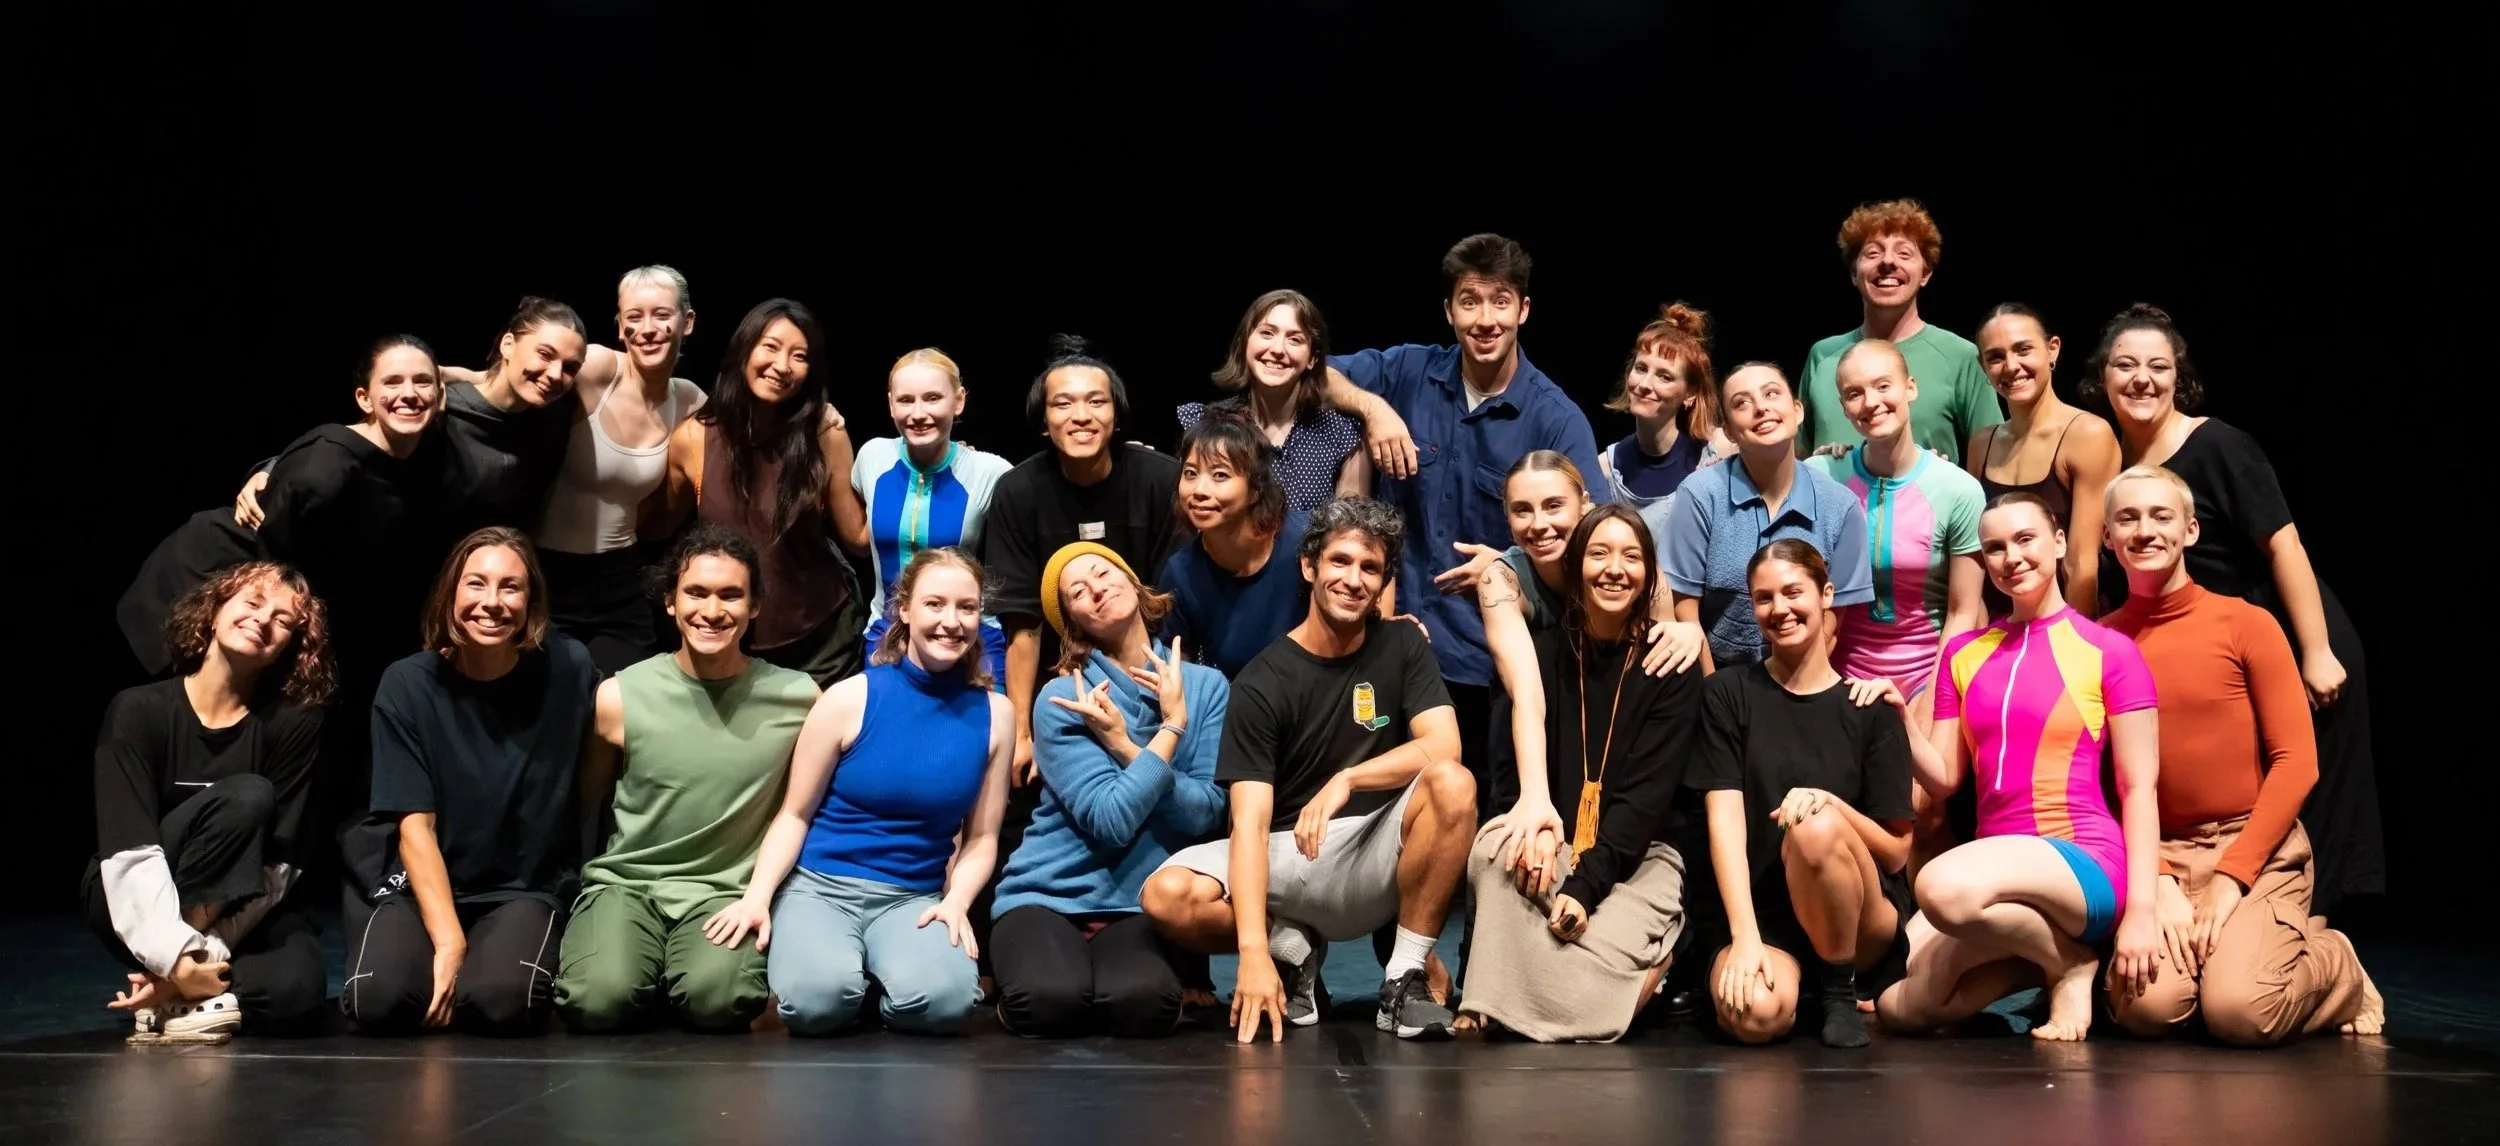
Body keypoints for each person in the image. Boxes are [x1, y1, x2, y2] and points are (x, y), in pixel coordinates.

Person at [1140, 498, 1475, 1043]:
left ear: (1383, 581)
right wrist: (1251, 953)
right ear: (1309, 567)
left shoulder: (1403, 643)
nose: (1353, 579)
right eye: (1340, 561)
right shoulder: (1261, 680)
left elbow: (1444, 746)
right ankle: (1290, 949)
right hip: (1288, 855)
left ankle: (1404, 976)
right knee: (1167, 894)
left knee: (1452, 784)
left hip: (1376, 852)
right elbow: (1246, 826)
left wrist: (1348, 779)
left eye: (1370, 568)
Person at [2087, 303, 2380, 917]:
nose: (2142, 378)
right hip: (2216, 646)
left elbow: (2284, 545)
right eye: (2126, 365)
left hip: (2289, 629)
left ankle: (2314, 934)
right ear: (2103, 378)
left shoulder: (2217, 444)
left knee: (2305, 784)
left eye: (2158, 366)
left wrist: (2317, 650)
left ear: (2177, 377)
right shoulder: (2110, 463)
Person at [2098, 465, 2383, 1042]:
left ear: (2192, 531)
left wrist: (2231, 878)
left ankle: (2336, 963)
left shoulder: (2244, 624)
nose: (2144, 530)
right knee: (2147, 1010)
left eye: (2161, 516)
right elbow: (2103, 781)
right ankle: (2224, 962)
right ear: (2106, 537)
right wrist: (2155, 879)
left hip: (2253, 843)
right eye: (2127, 517)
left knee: (2242, 1014)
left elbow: (2298, 762)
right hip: (2160, 852)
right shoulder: (2099, 641)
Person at [1321, 234, 1610, 779]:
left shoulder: (1554, 417)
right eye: (1470, 301)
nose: (1485, 319)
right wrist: (1373, 408)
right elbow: (1316, 371)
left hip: (1483, 669)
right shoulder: (1409, 371)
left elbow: (1599, 534)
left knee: (1468, 812)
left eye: (1500, 301)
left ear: (1523, 310)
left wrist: (1513, 565)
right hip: (1386, 647)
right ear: (1449, 311)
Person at [1876, 494, 2162, 1042]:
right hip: (1994, 879)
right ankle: (2051, 960)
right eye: (1995, 548)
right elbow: (1943, 779)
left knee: (1940, 888)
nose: (2011, 557)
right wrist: (1900, 725)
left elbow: (2139, 788)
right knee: (1901, 1006)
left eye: (2025, 539)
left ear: (2058, 543)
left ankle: (2070, 963)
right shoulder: (1963, 654)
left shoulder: (2109, 650)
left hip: (2083, 864)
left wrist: (2143, 911)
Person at [729, 549, 1014, 1035]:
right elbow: (795, 814)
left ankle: (882, 981)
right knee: (818, 1005)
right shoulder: (849, 697)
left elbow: (983, 837)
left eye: (966, 608)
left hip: (912, 898)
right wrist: (757, 897)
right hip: (821, 888)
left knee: (945, 1005)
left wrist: (956, 901)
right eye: (935, 604)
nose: (951, 621)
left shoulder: (996, 714)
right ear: (904, 610)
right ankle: (847, 977)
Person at [554, 526, 819, 1033]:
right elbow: (589, 802)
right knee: (596, 1000)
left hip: (727, 893)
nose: (712, 610)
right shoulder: (619, 696)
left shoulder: (798, 699)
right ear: (671, 603)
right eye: (696, 592)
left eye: (731, 595)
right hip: (629, 886)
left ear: (755, 606)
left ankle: (671, 971)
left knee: (717, 1001)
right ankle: (634, 961)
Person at [1458, 507, 1703, 1042]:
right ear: (1575, 567)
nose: (1615, 570)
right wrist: (1535, 828)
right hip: (1559, 841)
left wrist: (1585, 888)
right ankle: (1592, 982)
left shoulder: (1670, 665)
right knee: (1492, 849)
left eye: (1631, 557)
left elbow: (1646, 802)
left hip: (1639, 857)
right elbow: (1510, 770)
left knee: (1583, 983)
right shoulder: (1541, 656)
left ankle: (1513, 992)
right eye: (1599, 554)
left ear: (1649, 575)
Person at [341, 528, 599, 1035]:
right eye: (476, 584)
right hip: (426, 884)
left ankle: (490, 963)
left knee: (502, 1001)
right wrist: (450, 943)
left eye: (511, 587)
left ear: (531, 601)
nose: (492, 602)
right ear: (451, 594)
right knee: (378, 999)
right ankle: (459, 955)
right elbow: (415, 829)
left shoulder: (568, 668)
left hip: (522, 886)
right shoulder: (408, 683)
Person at [89, 563, 334, 1044]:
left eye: (284, 620)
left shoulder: (293, 725)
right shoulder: (139, 710)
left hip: (240, 908)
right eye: (252, 601)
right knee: (248, 795)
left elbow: (279, 867)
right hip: (132, 898)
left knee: (296, 992)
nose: (264, 619)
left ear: (292, 646)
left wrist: (199, 956)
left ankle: (180, 999)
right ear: (215, 609)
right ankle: (189, 988)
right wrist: (174, 955)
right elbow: (128, 853)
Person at [990, 543, 1228, 1037]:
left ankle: (1095, 978)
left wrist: (1126, 745)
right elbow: (1112, 821)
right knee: (1047, 1003)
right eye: (1078, 591)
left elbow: (1206, 813)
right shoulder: (1063, 699)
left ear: (1133, 582)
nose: (1096, 588)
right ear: (1071, 622)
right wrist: (1170, 732)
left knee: (1144, 1007)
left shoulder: (1205, 688)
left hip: (1134, 904)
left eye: (1102, 572)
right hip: (1048, 894)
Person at [1695, 540, 1917, 1049]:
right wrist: (1744, 937)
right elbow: (1724, 819)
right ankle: (1802, 987)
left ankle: (1839, 990)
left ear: (1826, 596)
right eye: (1764, 598)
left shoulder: (1870, 709)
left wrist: (1833, 808)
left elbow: (1896, 852)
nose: (1780, 609)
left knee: (1814, 826)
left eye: (1793, 592)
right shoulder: (1728, 694)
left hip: (1861, 918)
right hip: (1768, 913)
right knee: (1754, 1015)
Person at [979, 335, 1185, 781]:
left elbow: (1172, 600)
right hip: (1058, 681)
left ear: (1116, 416)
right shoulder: (1019, 491)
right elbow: (1023, 624)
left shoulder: (1160, 478)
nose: (1081, 417)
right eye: (1063, 404)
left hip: (1153, 671)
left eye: (1096, 402)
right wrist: (1021, 731)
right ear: (1043, 421)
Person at [662, 298, 868, 689]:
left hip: (820, 642)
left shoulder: (824, 433)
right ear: (745, 349)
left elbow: (858, 538)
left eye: (799, 355)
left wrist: (927, 465)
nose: (782, 365)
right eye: (770, 346)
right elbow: (659, 527)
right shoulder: (693, 438)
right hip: (726, 640)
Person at [532, 267, 709, 675]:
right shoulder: (596, 368)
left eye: (662, 315)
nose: (647, 329)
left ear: (688, 322)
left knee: (619, 699)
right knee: (552, 697)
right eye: (634, 317)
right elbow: (512, 383)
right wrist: (447, 378)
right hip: (547, 572)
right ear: (620, 326)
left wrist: (815, 412)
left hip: (619, 579)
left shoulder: (689, 401)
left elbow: (751, 424)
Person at [1804, 340, 1986, 703]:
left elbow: (1963, 611)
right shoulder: (1818, 476)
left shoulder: (1958, 489)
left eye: (1883, 385)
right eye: (1854, 393)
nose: (1871, 402)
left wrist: (1938, 696)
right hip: (1836, 675)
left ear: (1911, 388)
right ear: (1843, 407)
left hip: (1928, 675)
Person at [1662, 362, 1874, 672]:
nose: (1761, 408)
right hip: (1712, 674)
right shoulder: (1699, 495)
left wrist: (1787, 696)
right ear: (1730, 431)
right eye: (1742, 403)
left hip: (1800, 679)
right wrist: (1713, 693)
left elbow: (1831, 623)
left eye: (1772, 394)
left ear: (1798, 411)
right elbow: (1683, 611)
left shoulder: (1841, 507)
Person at [844, 348, 1014, 686]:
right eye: (906, 400)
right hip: (888, 631)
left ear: (959, 400)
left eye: (933, 398)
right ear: (891, 404)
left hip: (966, 633)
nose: (918, 413)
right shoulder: (872, 457)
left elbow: (1051, 494)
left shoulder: (989, 471)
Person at [1799, 199, 2001, 462]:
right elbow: (1796, 459)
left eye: (1904, 254)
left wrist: (1945, 478)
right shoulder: (1823, 356)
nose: (1888, 262)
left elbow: (1991, 462)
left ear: (1925, 273)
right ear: (1853, 273)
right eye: (1872, 253)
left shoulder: (1961, 356)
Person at [1967, 303, 2120, 617]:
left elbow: (2080, 564)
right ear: (1983, 367)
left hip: (2064, 624)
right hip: (2000, 627)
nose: (2011, 366)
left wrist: (2069, 647)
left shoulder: (2088, 434)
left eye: (2023, 349)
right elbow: (1977, 559)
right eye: (1996, 357)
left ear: (2052, 350)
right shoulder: (1982, 443)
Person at [1178, 289, 1368, 512]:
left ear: (1313, 358)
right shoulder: (1206, 423)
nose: (1278, 349)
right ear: (1245, 343)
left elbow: (1350, 532)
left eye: (1295, 340)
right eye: (1267, 333)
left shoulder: (1342, 434)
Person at [1157, 415, 1309, 678]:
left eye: (1220, 475)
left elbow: (1374, 547)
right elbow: (1176, 672)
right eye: (1190, 474)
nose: (1199, 490)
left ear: (1255, 490)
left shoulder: (1305, 537)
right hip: (1245, 707)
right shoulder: (1182, 573)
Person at [1596, 302, 1729, 519]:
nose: (1645, 384)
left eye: (1664, 377)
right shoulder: (1606, 469)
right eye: (1641, 369)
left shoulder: (1719, 450)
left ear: (1690, 394)